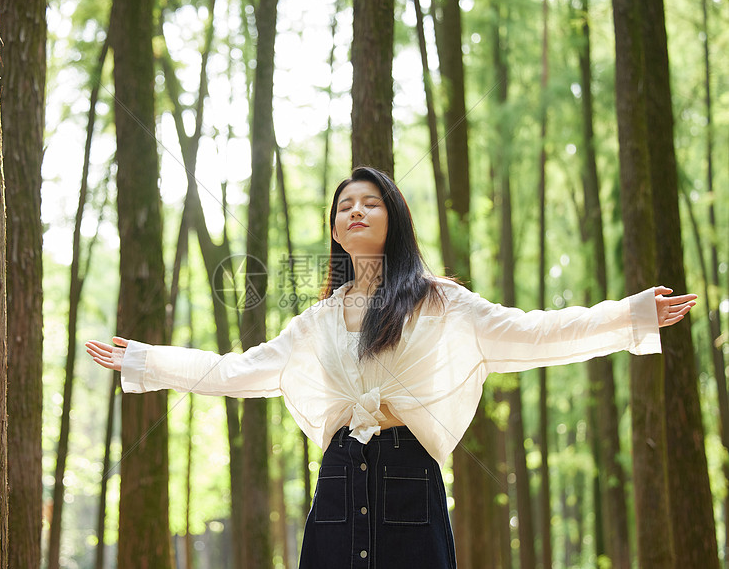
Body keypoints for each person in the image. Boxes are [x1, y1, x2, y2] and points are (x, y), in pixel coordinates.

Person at [85, 166, 696, 569]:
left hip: (409, 477)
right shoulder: (317, 321)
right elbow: (233, 371)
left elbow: (535, 331)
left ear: (393, 218)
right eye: (344, 205)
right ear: (334, 227)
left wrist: (631, 316)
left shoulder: (441, 302)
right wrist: (144, 360)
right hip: (338, 480)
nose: (355, 211)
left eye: (369, 203)